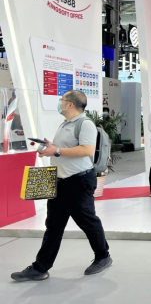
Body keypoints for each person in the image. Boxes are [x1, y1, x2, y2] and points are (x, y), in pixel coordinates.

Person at [11, 90, 112, 282]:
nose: (60, 103)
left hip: (79, 181)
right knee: (53, 226)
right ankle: (40, 268)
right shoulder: (65, 123)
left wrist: (56, 150)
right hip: (60, 182)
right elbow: (63, 150)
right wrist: (50, 148)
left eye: (62, 100)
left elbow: (87, 150)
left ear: (71, 104)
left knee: (88, 221)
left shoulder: (85, 124)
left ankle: (103, 256)